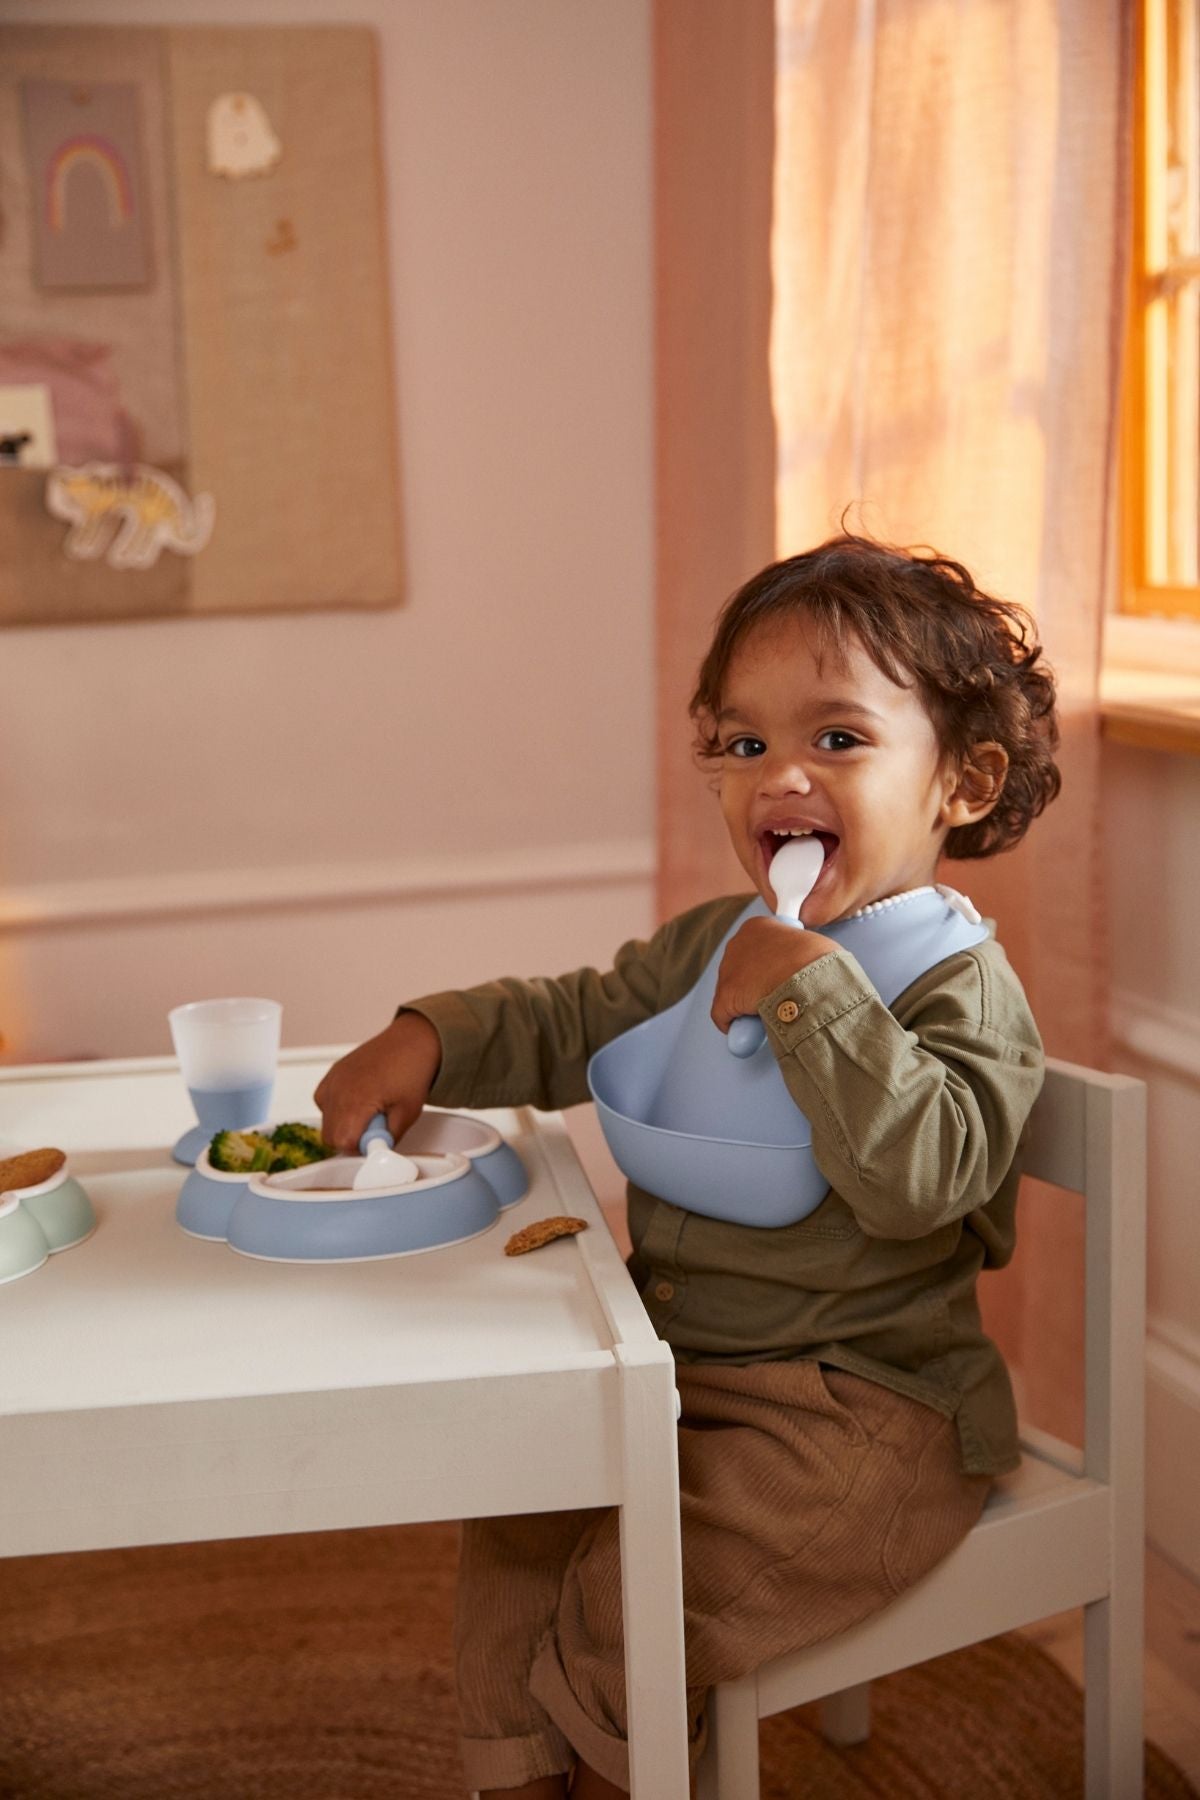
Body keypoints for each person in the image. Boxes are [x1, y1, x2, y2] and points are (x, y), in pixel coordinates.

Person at [316, 533, 1061, 1800]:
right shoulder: (720, 938)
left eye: (837, 740)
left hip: (865, 1416)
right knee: (523, 1510)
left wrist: (821, 999)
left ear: (964, 784)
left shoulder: (962, 991)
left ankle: (610, 1763)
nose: (780, 775)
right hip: (678, 1366)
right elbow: (580, 1011)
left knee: (635, 1596)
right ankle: (520, 1773)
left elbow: (925, 1179)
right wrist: (431, 1036)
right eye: (743, 742)